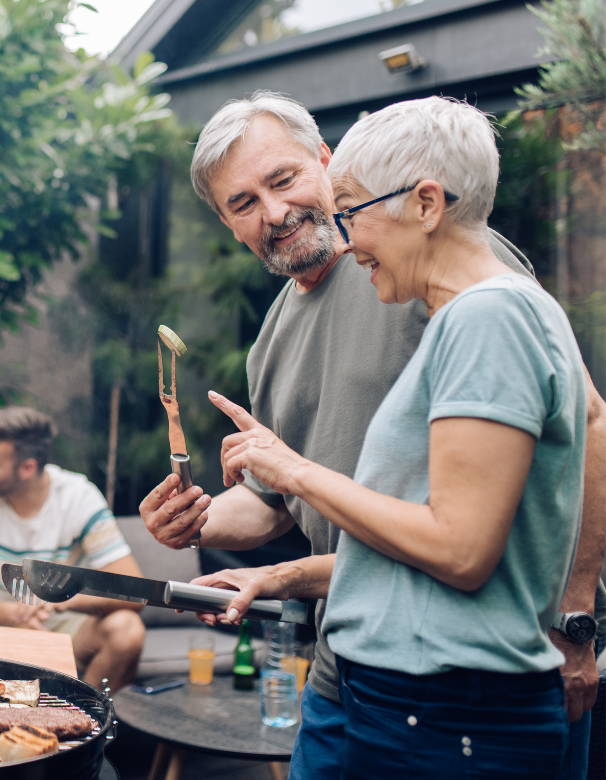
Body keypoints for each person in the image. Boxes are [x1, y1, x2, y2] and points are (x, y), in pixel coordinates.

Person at [138, 91, 606, 779]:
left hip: (467, 676)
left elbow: (584, 423)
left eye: (284, 179)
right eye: (243, 203)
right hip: (349, 668)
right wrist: (200, 519)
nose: (274, 212)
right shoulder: (270, 341)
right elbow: (276, 502)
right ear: (227, 223)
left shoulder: (438, 268)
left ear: (326, 163)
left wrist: (576, 618)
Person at [0, 407, 146, 691]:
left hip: (56, 624)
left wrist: (61, 600)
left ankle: (83, 718)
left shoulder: (78, 497)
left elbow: (133, 591)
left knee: (127, 630)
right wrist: (16, 614)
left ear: (27, 468)